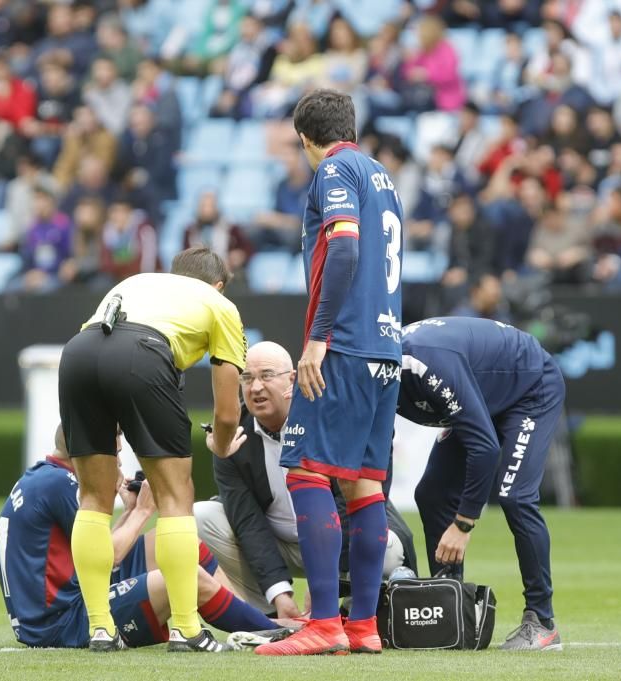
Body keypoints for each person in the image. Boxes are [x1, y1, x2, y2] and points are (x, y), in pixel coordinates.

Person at [256, 89, 404, 657]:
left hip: (344, 345)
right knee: (364, 482)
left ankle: (323, 623)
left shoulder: (334, 169)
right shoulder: (382, 176)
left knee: (305, 470)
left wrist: (317, 337)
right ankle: (362, 625)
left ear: (304, 140)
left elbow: (343, 246)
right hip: (385, 348)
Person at [58, 247, 247, 653]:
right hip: (142, 354)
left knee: (92, 497)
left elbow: (101, 347)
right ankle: (186, 629)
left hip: (77, 353)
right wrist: (223, 442)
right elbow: (228, 411)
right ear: (217, 285)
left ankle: (100, 630)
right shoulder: (220, 304)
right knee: (175, 497)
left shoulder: (136, 282)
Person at [0, 425, 291, 649]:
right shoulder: (60, 484)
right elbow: (108, 557)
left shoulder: (46, 476)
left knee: (185, 549)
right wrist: (143, 512)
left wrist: (131, 512)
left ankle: (257, 623)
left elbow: (91, 556)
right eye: (115, 449)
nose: (120, 454)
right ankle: (274, 631)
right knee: (186, 574)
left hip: (66, 605)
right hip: (63, 623)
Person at [195, 342, 417, 617]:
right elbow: (247, 522)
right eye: (247, 378)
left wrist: (326, 578)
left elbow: (349, 506)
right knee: (204, 515)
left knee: (388, 546)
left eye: (266, 376)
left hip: (338, 542)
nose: (255, 388)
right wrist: (280, 595)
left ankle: (354, 612)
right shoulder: (231, 435)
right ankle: (273, 617)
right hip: (281, 544)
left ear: (292, 380)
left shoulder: (329, 417)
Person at [396, 317, 565, 652]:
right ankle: (451, 610)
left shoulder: (423, 362)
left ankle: (542, 622)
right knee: (430, 493)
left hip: (530, 387)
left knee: (516, 496)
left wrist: (463, 523)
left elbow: (485, 449)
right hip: (482, 394)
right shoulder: (371, 375)